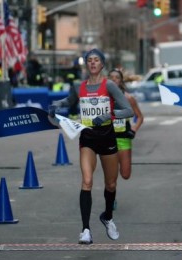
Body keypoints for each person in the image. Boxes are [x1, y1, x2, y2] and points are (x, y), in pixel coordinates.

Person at [48, 49, 134, 244]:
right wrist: (56, 104)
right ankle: (85, 230)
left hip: (107, 136)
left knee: (111, 184)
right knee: (87, 180)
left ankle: (108, 217)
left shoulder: (109, 85)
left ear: (102, 64)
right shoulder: (79, 86)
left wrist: (106, 116)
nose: (93, 63)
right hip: (87, 136)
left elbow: (127, 110)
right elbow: (69, 102)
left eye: (96, 60)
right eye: (89, 60)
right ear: (86, 65)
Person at [108, 68, 144, 180]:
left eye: (117, 78)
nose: (114, 80)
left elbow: (140, 117)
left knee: (125, 174)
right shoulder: (102, 98)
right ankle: (111, 197)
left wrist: (133, 130)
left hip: (124, 139)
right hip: (108, 139)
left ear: (121, 81)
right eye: (111, 78)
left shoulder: (128, 98)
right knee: (111, 175)